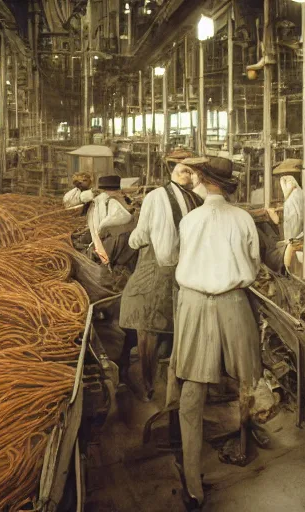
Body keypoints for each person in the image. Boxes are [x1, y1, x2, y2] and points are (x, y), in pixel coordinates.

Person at [168, 156, 262, 509]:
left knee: (192, 396)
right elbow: (253, 262)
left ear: (204, 181)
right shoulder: (243, 219)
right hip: (234, 303)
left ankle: (194, 485)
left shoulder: (190, 220)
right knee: (247, 382)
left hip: (194, 305)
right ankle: (244, 444)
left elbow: (178, 259)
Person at [119, 151, 202, 400]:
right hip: (186, 269)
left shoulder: (155, 196)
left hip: (157, 267)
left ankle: (147, 385)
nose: (188, 173)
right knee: (176, 323)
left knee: (144, 321)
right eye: (186, 169)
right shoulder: (195, 199)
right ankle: (174, 379)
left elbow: (141, 235)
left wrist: (132, 240)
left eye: (188, 169)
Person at [268, 159, 305, 275]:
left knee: (293, 271)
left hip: (295, 242)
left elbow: (293, 223)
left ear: (290, 180)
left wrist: (276, 219)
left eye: (284, 181)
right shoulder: (299, 194)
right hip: (298, 239)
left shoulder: (292, 199)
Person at [86, 175, 134, 266]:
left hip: (110, 242)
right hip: (119, 243)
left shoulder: (99, 200)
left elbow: (96, 228)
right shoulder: (111, 200)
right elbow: (126, 217)